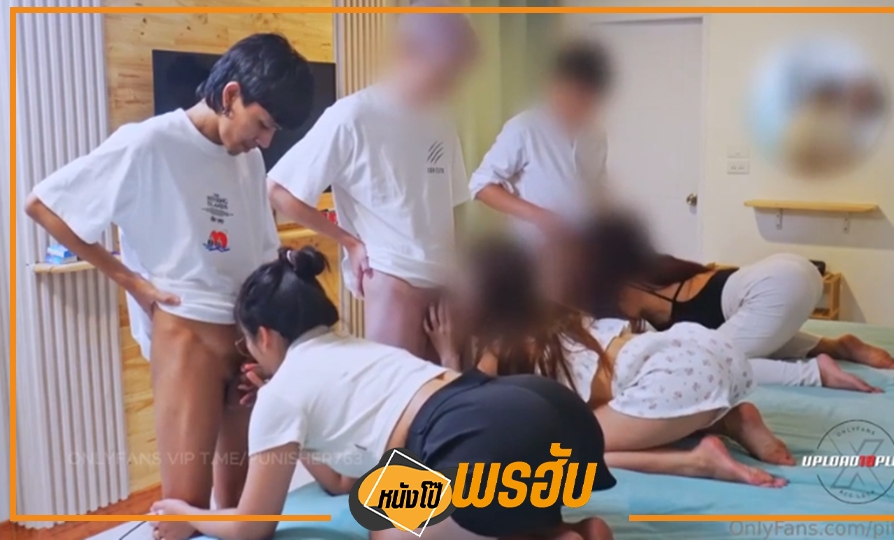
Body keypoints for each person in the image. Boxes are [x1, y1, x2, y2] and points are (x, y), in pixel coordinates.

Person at [24, 33, 315, 509]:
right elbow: (43, 204)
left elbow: (262, 250)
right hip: (188, 335)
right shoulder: (149, 142)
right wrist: (132, 283)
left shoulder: (248, 159)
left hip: (246, 337)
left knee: (241, 507)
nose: (265, 140)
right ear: (231, 95)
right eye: (262, 124)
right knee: (185, 508)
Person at [150, 247, 617, 540]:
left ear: (265, 336)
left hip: (478, 440)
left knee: (385, 530)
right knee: (395, 495)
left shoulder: (283, 392)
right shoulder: (355, 350)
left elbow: (253, 526)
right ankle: (566, 531)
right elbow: (342, 481)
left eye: (246, 343)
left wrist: (189, 514)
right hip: (548, 414)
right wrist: (290, 427)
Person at [425, 238, 792, 488]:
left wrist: (448, 355)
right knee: (618, 414)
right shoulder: (561, 317)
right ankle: (730, 419)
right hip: (701, 349)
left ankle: (697, 461)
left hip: (673, 376)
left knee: (567, 455)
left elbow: (462, 408)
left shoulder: (502, 344)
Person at [267, 1, 477, 361]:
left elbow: (455, 202)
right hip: (394, 276)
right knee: (399, 392)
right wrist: (350, 243)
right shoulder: (354, 114)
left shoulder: (443, 120)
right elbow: (279, 190)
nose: (451, 81)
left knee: (452, 393)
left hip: (445, 282)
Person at [571, 214, 894, 391]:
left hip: (777, 284)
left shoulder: (662, 292)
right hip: (789, 271)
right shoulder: (673, 281)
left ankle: (816, 373)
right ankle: (836, 346)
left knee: (716, 361)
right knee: (740, 339)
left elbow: (717, 356)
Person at [469, 39, 611, 242]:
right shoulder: (524, 128)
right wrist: (540, 217)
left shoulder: (596, 134)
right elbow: (481, 185)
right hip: (531, 248)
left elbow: (596, 190)